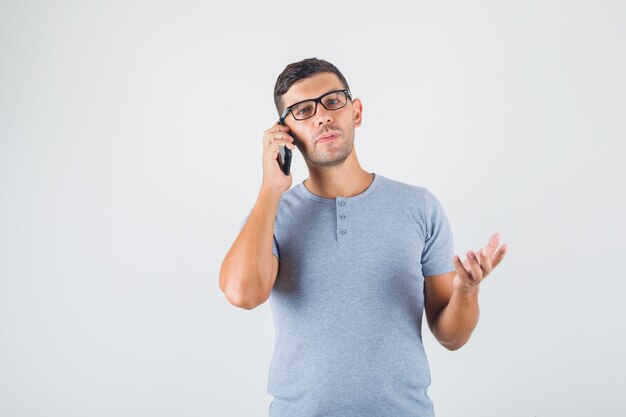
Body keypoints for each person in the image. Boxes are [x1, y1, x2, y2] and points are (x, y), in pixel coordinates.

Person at [219, 57, 508, 417]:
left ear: (355, 111)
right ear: (285, 133)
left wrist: (467, 291)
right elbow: (242, 295)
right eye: (302, 110)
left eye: (333, 101)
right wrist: (270, 187)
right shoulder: (270, 215)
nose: (322, 115)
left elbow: (451, 337)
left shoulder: (419, 206)